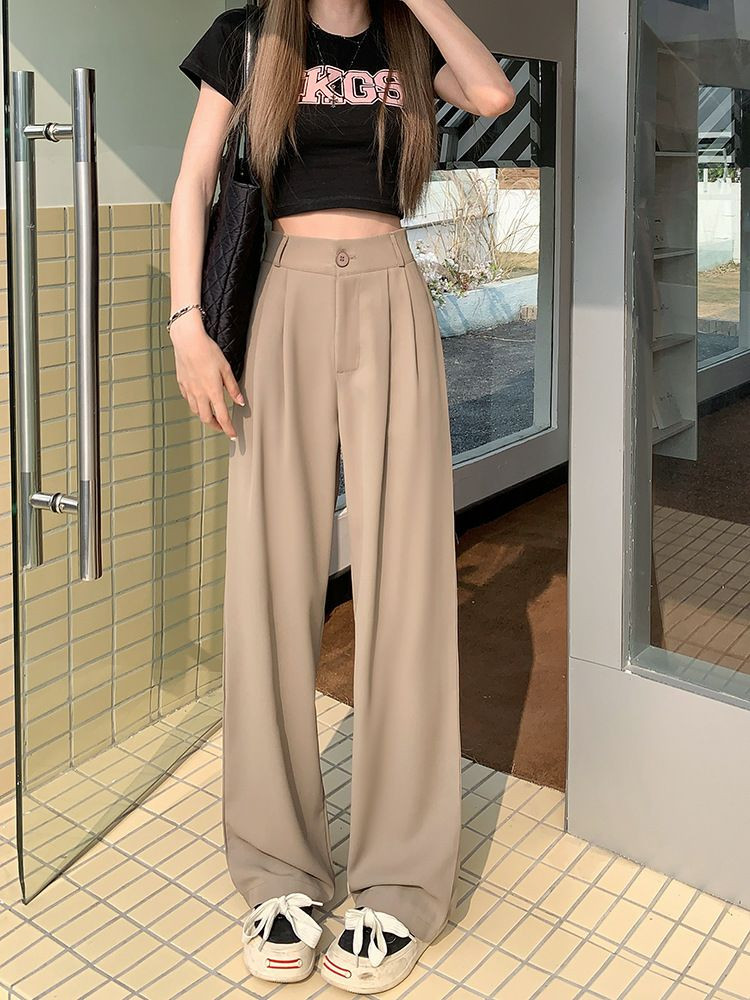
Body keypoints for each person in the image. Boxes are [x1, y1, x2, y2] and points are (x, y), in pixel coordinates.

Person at [171, 0, 514, 991]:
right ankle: (279, 867)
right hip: (282, 292)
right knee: (271, 577)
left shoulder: (408, 39)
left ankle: (398, 878)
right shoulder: (250, 35)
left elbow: (491, 93)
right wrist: (187, 322)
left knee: (407, 579)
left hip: (390, 292)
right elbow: (195, 177)